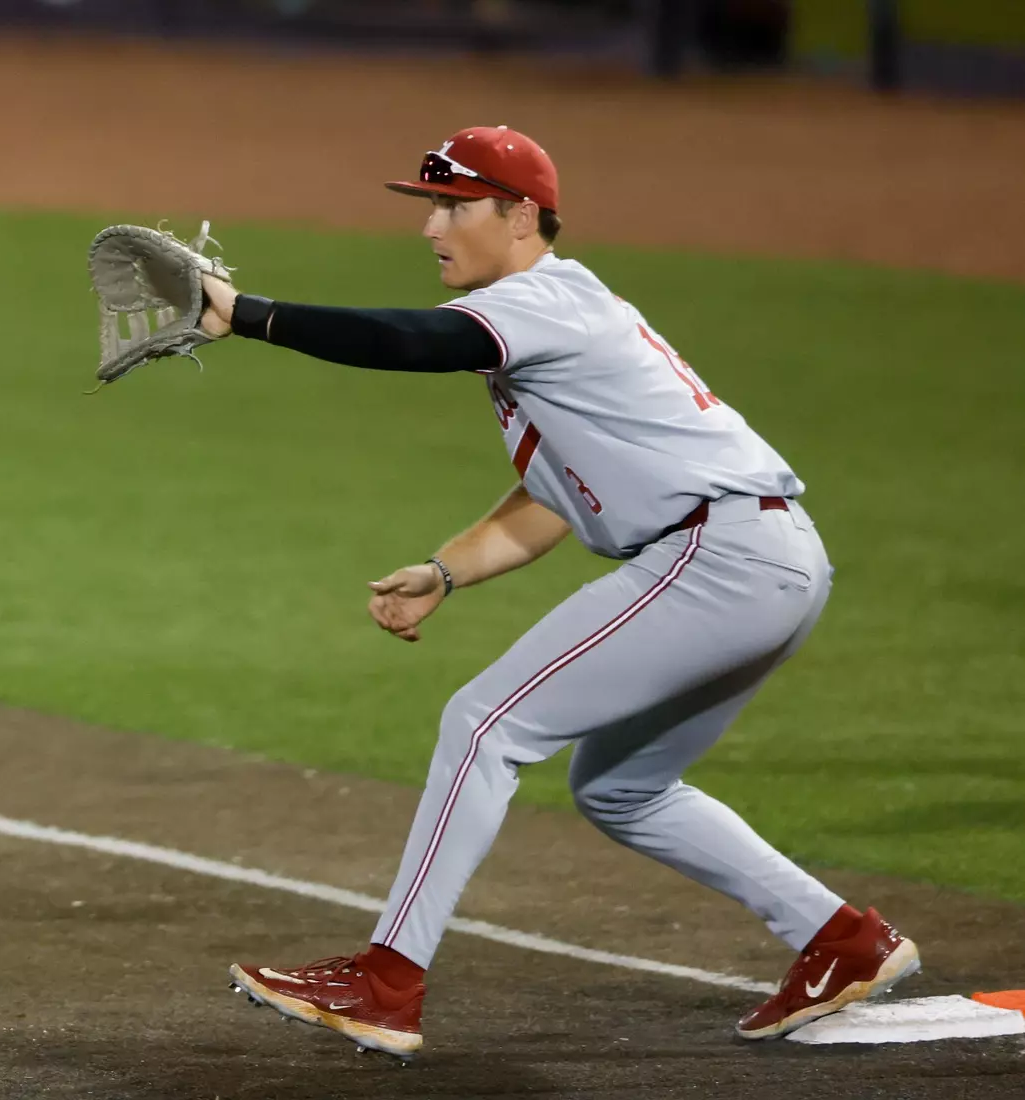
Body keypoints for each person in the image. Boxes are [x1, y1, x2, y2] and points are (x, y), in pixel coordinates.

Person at [203, 126, 919, 1059]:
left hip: (720, 556)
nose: (432, 228)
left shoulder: (545, 300)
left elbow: (409, 341)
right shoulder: (551, 322)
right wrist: (447, 569)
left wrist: (247, 313)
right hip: (768, 558)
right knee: (622, 786)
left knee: (483, 723)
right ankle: (841, 940)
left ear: (522, 215)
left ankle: (385, 983)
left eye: (455, 206)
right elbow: (549, 503)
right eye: (430, 206)